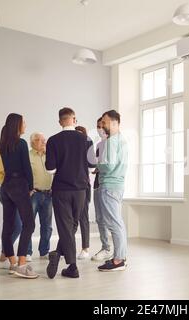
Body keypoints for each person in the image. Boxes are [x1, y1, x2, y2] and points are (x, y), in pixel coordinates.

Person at [45, 107, 92, 279]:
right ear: (74, 119)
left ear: (60, 122)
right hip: (80, 190)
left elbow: (50, 170)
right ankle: (64, 260)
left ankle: (67, 262)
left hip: (61, 190)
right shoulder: (86, 139)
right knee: (72, 225)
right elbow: (93, 166)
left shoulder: (53, 140)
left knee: (66, 226)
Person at [0, 113, 38, 279]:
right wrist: (30, 187)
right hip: (19, 185)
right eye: (23, 122)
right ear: (17, 125)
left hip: (6, 186)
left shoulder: (2, 144)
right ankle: (21, 264)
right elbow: (26, 167)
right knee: (29, 224)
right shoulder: (20, 143)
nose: (25, 125)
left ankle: (12, 262)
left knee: (8, 226)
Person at [95, 110, 128, 272]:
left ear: (115, 123)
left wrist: (96, 165)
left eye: (105, 123)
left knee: (114, 224)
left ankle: (118, 260)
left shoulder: (111, 141)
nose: (102, 126)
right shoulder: (122, 140)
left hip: (109, 185)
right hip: (118, 185)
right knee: (118, 222)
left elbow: (108, 166)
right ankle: (120, 256)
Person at [0, 138, 24, 269]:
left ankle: (4, 253)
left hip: (13, 191)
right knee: (15, 226)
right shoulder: (3, 150)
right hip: (9, 191)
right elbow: (0, 173)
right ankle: (8, 254)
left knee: (14, 225)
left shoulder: (16, 148)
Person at [91, 117, 112, 262]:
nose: (100, 129)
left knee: (110, 219)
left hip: (109, 186)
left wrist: (100, 167)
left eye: (102, 125)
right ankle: (106, 247)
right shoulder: (99, 145)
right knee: (99, 219)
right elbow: (97, 164)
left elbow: (111, 167)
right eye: (97, 126)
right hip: (97, 184)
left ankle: (113, 250)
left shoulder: (113, 144)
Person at [29, 132, 53, 260]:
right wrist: (28, 188)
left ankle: (44, 252)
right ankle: (27, 252)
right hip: (34, 194)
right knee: (29, 225)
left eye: (44, 140)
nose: (43, 142)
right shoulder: (28, 155)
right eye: (40, 140)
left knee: (47, 226)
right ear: (33, 142)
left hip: (48, 195)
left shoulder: (49, 156)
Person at [75, 126, 95, 260]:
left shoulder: (88, 145)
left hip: (83, 186)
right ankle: (65, 248)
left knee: (83, 217)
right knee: (70, 220)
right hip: (70, 187)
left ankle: (85, 248)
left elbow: (92, 165)